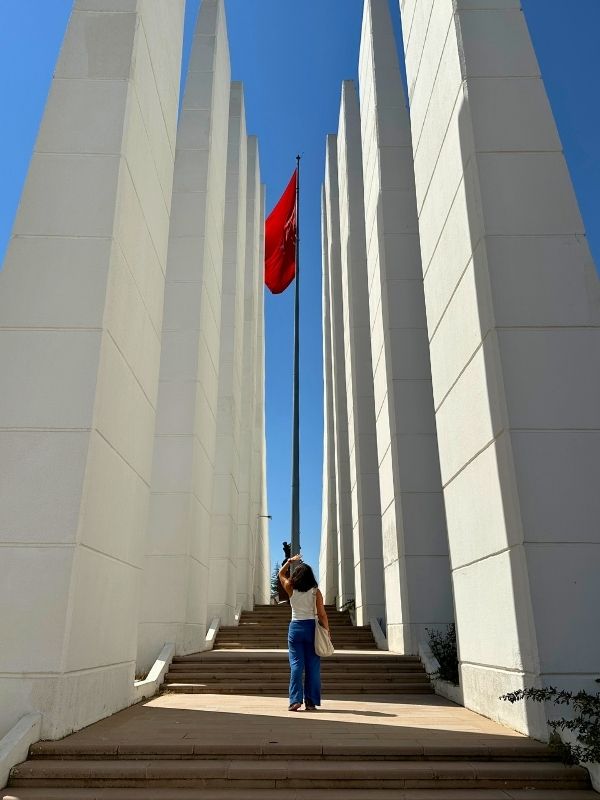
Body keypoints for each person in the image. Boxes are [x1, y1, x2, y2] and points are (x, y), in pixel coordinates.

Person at [278, 555, 330, 712]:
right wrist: (326, 631)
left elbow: (281, 574)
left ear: (296, 576)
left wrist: (289, 562)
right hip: (311, 628)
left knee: (296, 665)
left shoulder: (290, 588)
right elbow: (322, 614)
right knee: (313, 666)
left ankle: (295, 700)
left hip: (295, 628)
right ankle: (311, 702)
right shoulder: (316, 592)